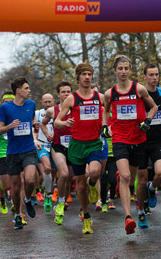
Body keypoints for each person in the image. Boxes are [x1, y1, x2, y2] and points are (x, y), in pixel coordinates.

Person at [101, 55, 157, 235]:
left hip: (138, 139)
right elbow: (106, 110)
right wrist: (105, 125)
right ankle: (128, 217)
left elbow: (154, 107)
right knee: (126, 177)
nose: (123, 72)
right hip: (119, 139)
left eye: (126, 68)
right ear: (115, 71)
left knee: (130, 179)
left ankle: (121, 181)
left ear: (130, 70)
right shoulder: (110, 93)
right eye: (120, 69)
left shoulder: (139, 89)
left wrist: (147, 120)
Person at [55, 64, 105, 234]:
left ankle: (94, 185)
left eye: (90, 74)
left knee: (95, 172)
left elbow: (108, 111)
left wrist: (106, 125)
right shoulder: (72, 99)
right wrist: (65, 122)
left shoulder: (100, 97)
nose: (87, 77)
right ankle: (86, 216)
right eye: (84, 74)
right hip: (76, 145)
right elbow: (57, 121)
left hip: (93, 143)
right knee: (80, 185)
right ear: (78, 78)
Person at [0, 77, 39, 229]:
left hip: (28, 149)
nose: (29, 91)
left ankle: (27, 199)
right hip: (13, 152)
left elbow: (32, 118)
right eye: (26, 88)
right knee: (15, 187)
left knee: (29, 180)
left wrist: (35, 123)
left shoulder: (31, 104)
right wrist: (10, 126)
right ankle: (17, 215)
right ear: (18, 91)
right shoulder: (5, 108)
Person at [136, 64, 161, 228]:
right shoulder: (139, 94)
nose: (155, 78)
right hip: (141, 141)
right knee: (141, 180)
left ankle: (152, 187)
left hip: (157, 142)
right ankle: (141, 212)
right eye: (151, 75)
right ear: (145, 77)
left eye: (156, 75)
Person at [41, 82, 73, 224]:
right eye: (63, 91)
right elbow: (42, 123)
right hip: (58, 146)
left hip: (74, 146)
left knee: (70, 179)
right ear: (58, 94)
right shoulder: (52, 110)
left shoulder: (76, 108)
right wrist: (47, 133)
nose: (66, 94)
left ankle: (63, 199)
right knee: (64, 173)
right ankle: (60, 204)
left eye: (68, 91)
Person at [34, 93, 55, 211]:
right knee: (47, 168)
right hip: (42, 144)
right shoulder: (37, 113)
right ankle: (48, 194)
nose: (47, 104)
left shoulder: (58, 111)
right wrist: (35, 140)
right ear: (42, 102)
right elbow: (33, 129)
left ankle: (58, 192)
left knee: (59, 173)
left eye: (49, 102)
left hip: (56, 144)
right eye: (45, 102)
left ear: (53, 101)